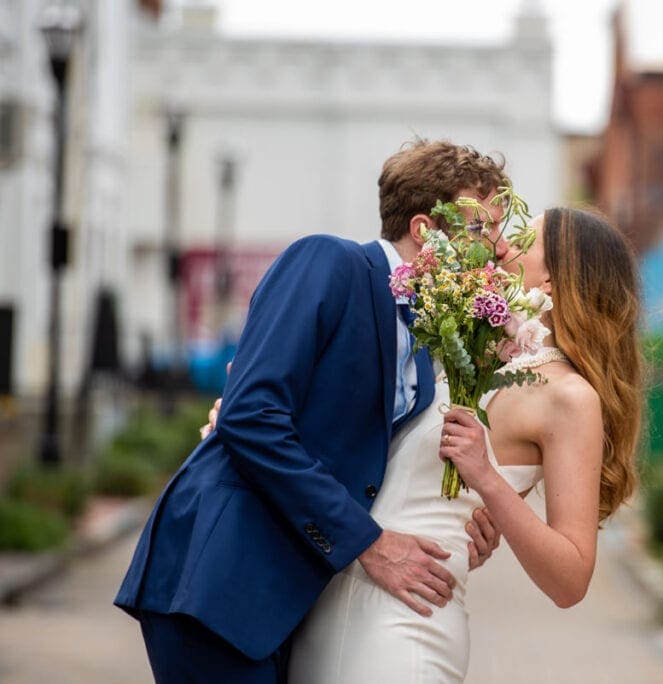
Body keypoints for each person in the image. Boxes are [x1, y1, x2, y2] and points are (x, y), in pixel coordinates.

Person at [114, 140, 508, 683]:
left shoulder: (423, 337)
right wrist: (368, 543)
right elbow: (251, 415)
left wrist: (468, 522)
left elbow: (369, 462)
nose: (500, 248)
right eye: (484, 228)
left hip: (291, 603)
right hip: (221, 581)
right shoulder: (328, 261)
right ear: (425, 229)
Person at [205, 207, 645, 682]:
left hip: (404, 628)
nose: (500, 243)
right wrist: (243, 418)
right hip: (323, 607)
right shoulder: (462, 355)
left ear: (555, 282)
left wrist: (488, 480)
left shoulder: (570, 397)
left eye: (522, 239)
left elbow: (571, 578)